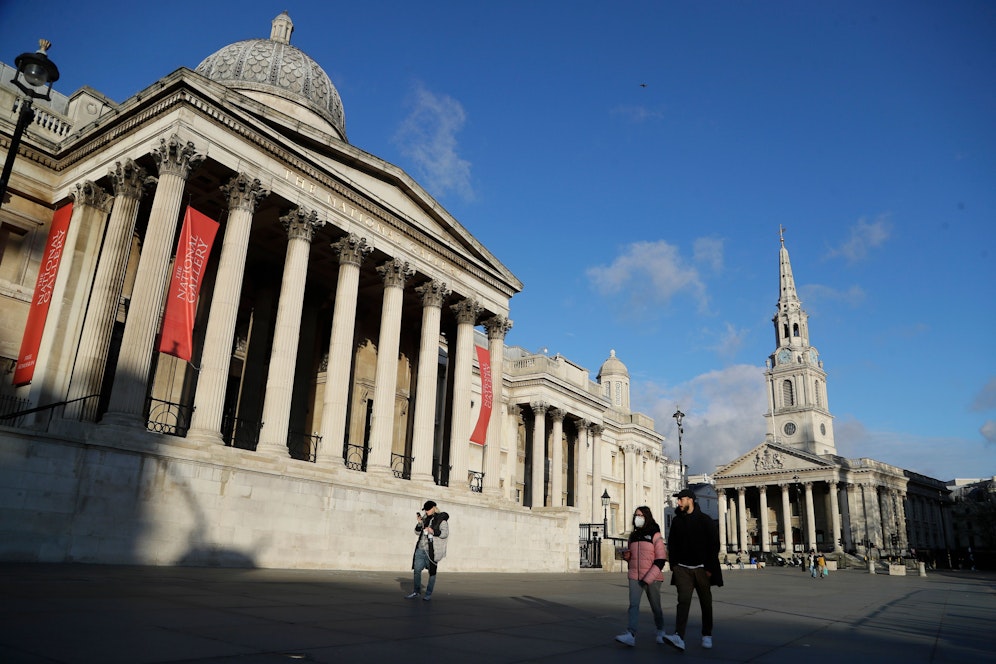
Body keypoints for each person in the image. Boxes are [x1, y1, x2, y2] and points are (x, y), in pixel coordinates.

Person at [661, 489, 723, 652]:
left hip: (702, 569)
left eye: (681, 499)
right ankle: (679, 636)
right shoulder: (677, 521)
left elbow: (714, 545)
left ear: (690, 500)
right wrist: (674, 564)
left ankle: (707, 634)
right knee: (683, 602)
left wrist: (709, 568)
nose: (678, 503)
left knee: (705, 602)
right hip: (682, 569)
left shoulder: (705, 520)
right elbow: (672, 543)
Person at [614, 506, 667, 647]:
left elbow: (661, 559)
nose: (638, 518)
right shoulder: (633, 536)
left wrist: (649, 577)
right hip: (634, 575)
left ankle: (661, 630)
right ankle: (631, 634)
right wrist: (627, 556)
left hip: (652, 577)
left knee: (656, 607)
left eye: (641, 515)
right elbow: (632, 556)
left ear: (647, 517)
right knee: (633, 605)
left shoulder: (655, 534)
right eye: (636, 515)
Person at [406, 500, 449, 601]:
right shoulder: (425, 518)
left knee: (432, 572)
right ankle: (416, 592)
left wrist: (432, 531)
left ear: (434, 508)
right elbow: (417, 532)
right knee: (417, 570)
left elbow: (445, 533)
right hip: (420, 549)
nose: (426, 512)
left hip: (432, 551)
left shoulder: (441, 520)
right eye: (425, 510)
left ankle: (428, 593)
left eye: (428, 509)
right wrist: (420, 523)